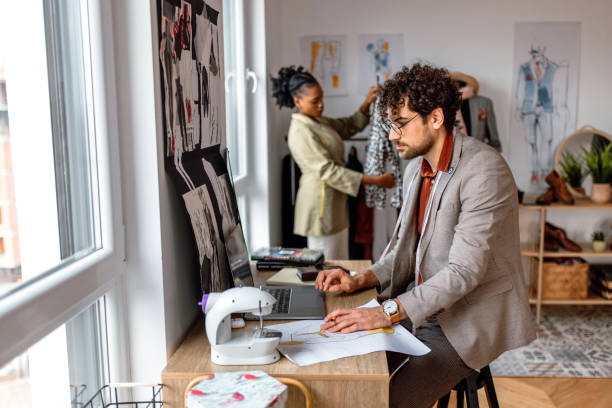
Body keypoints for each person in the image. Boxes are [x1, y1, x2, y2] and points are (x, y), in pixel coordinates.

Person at [315, 64, 535, 407]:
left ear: (435, 118)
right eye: (391, 125)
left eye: (400, 124)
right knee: (345, 368)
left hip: (467, 317)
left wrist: (385, 312)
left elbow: (464, 273)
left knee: (377, 396)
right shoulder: (416, 167)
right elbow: (402, 251)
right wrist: (358, 280)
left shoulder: (485, 171)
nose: (392, 135)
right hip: (422, 307)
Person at [271, 66, 394, 260]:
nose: (321, 105)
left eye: (322, 98)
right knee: (327, 263)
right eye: (315, 101)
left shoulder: (318, 122)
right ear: (298, 101)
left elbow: (347, 126)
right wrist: (375, 180)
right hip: (320, 205)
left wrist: (366, 103)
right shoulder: (300, 131)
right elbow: (327, 171)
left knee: (339, 260)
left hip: (334, 203)